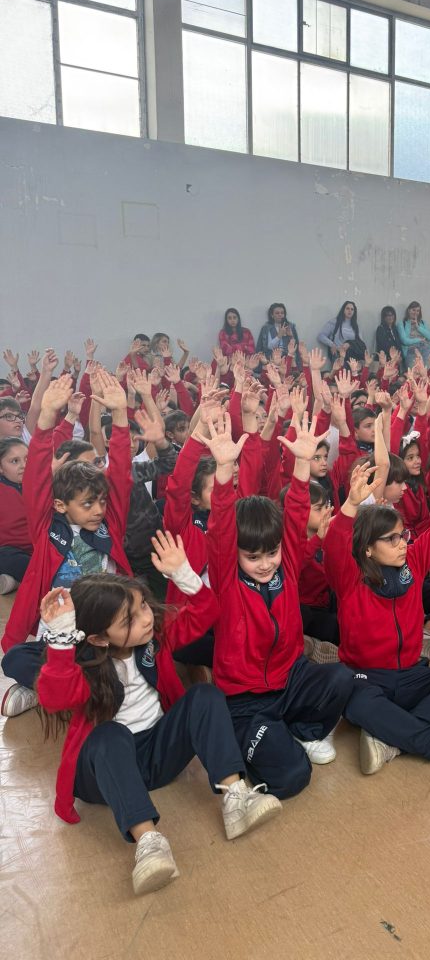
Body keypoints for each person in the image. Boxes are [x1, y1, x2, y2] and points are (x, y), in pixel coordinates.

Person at [35, 532, 282, 896]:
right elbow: (53, 697)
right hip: (106, 772)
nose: (146, 619)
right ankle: (149, 843)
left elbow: (206, 613)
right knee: (108, 735)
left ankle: (236, 797)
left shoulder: (154, 639)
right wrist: (60, 642)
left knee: (204, 696)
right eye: (129, 620)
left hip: (156, 753)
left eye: (144, 607)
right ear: (100, 638)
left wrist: (182, 573)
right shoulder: (85, 669)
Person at [200, 410, 354, 797]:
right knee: (291, 778)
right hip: (245, 700)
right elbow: (221, 528)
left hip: (290, 679)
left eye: (271, 553)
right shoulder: (226, 580)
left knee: (342, 677)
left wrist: (303, 462)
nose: (266, 563)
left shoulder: (286, 562)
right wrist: (223, 472)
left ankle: (301, 730)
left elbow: (297, 511)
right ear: (236, 555)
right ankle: (260, 738)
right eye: (253, 557)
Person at [324, 457, 430, 777]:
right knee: (355, 704)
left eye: (402, 535)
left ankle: (392, 739)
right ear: (367, 549)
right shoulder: (351, 576)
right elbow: (336, 543)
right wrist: (350, 504)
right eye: (391, 539)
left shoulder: (413, 562)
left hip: (410, 673)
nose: (402, 543)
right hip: (367, 678)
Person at [1, 373, 133, 718]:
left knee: (123, 659)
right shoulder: (48, 530)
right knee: (15, 658)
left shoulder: (109, 526)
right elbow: (35, 483)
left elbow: (120, 475)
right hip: (60, 631)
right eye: (87, 504)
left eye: (101, 502)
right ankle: (53, 687)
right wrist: (44, 421)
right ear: (61, 505)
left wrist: (120, 417)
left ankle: (61, 690)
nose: (99, 510)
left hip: (103, 627)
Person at [0, 436, 30, 594]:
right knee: (9, 558)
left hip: (40, 548)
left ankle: (15, 581)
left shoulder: (37, 484)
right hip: (10, 550)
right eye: (14, 461)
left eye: (27, 459)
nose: (24, 466)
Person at [397, 301, 430, 368]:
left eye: (418, 311)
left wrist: (418, 327)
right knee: (414, 373)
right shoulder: (401, 324)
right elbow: (404, 341)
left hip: (425, 348)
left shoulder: (423, 323)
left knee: (427, 371)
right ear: (408, 310)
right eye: (413, 310)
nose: (415, 313)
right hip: (411, 349)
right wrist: (419, 339)